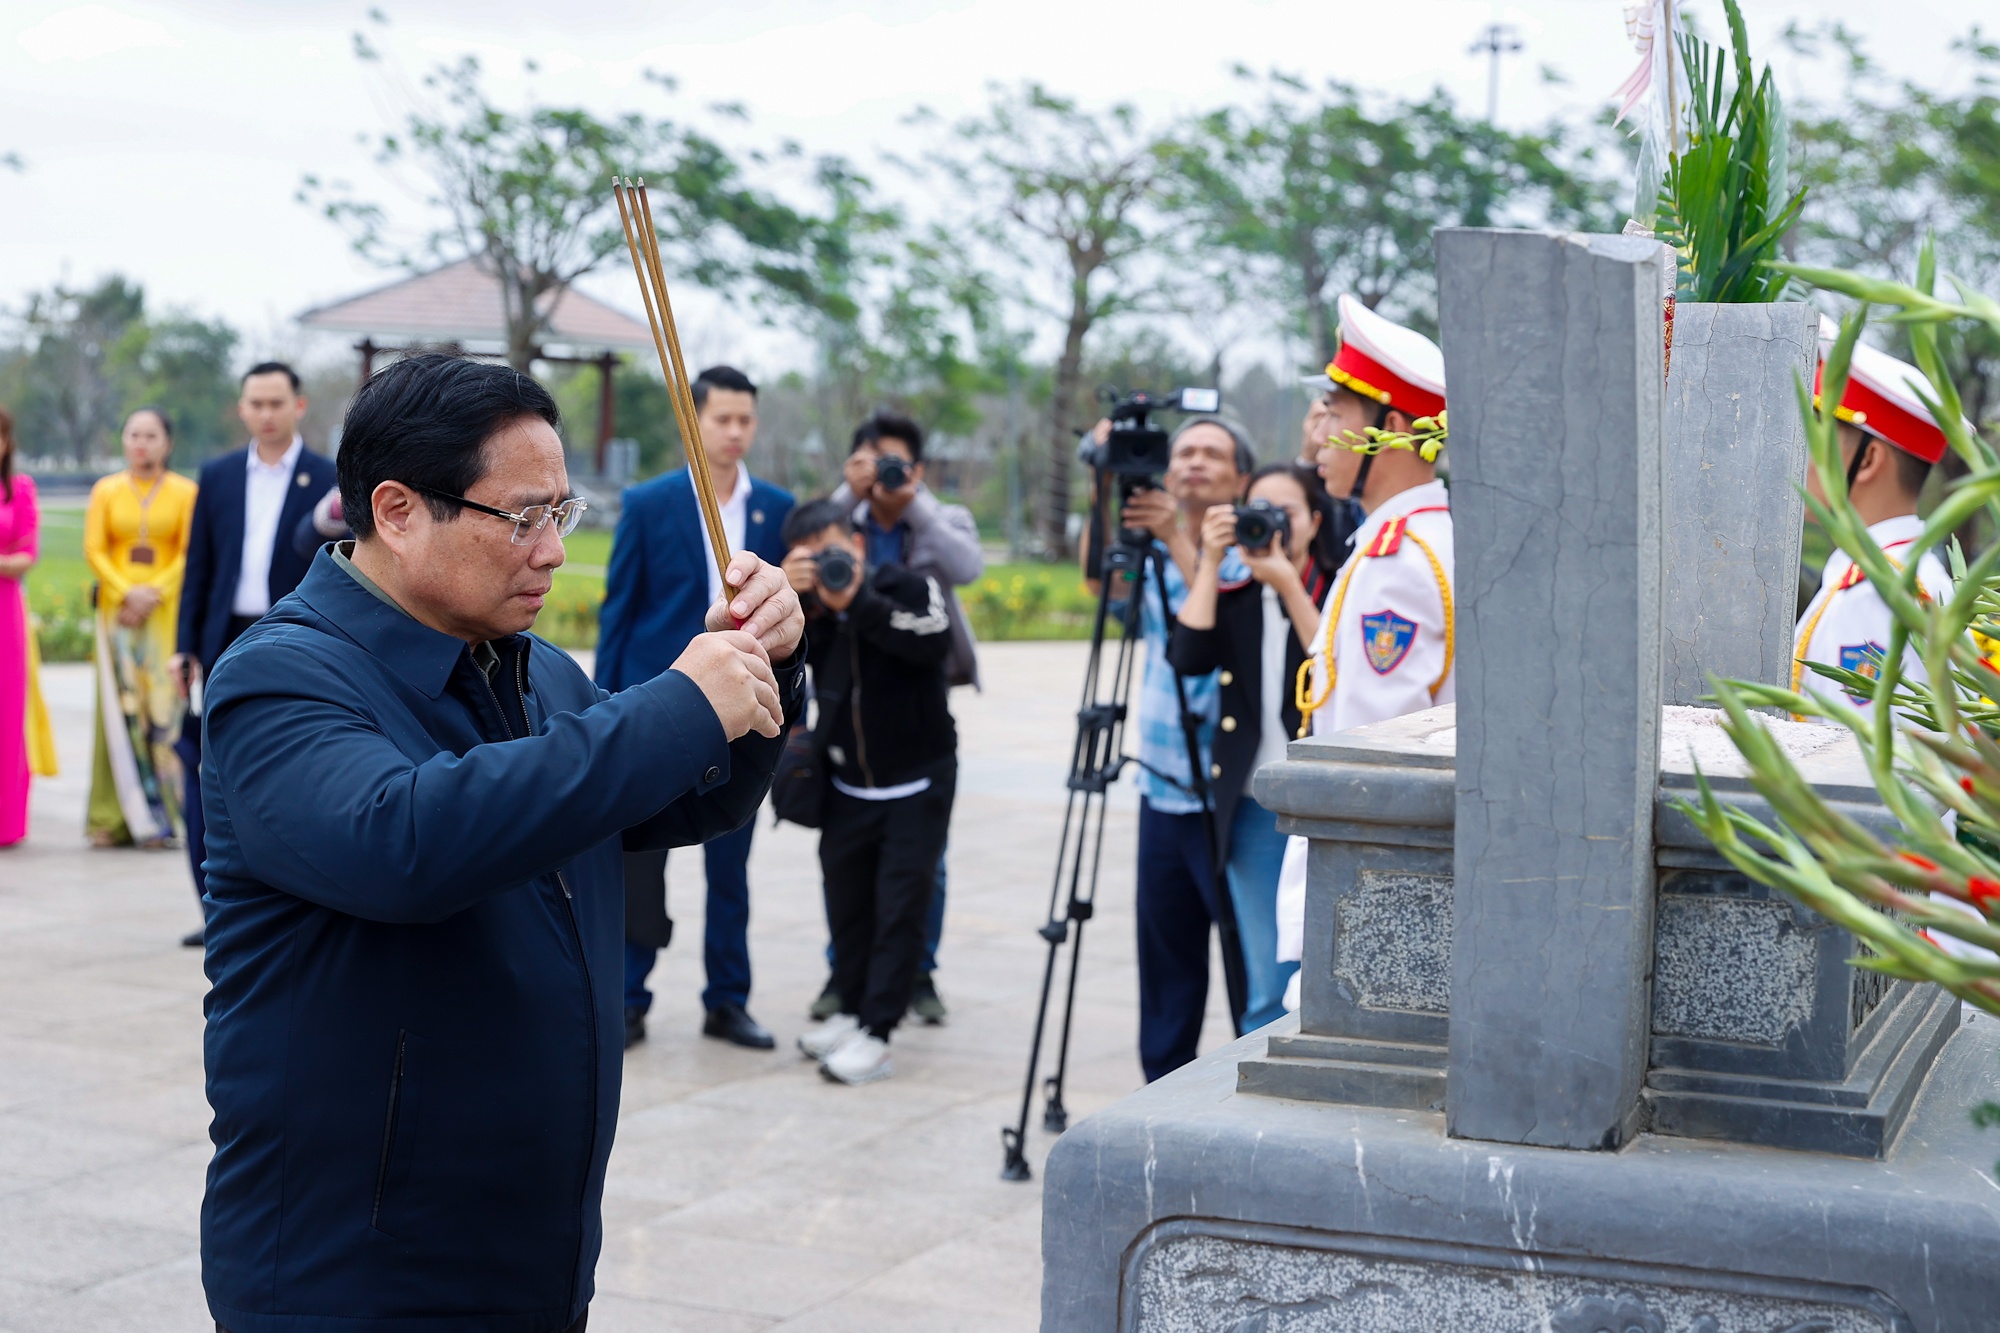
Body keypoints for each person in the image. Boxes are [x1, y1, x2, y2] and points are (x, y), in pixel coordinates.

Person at [198, 352, 804, 1333]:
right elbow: (410, 839)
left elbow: (679, 798)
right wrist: (677, 704)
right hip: (357, 1273)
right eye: (521, 517)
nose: (552, 551)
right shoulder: (279, 682)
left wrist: (764, 662)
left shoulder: (531, 672)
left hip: (530, 1258)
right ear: (396, 511)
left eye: (559, 514)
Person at [595, 365, 795, 1050]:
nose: (735, 431)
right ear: (696, 420)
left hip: (744, 702)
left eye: (746, 419)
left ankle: (727, 999)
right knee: (638, 867)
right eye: (722, 419)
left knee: (730, 865)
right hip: (657, 701)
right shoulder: (650, 502)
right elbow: (618, 611)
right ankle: (627, 997)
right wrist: (609, 705)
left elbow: (792, 615)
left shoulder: (776, 507)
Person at [1276, 295, 1453, 1002]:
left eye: (1339, 417)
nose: (1319, 438)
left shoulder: (1399, 561)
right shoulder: (1403, 542)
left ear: (1394, 428)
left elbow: (1374, 759)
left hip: (1372, 901)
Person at [1081, 412, 1255, 1081]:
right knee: (1166, 970)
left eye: (1213, 452)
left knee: (1247, 968)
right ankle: (1161, 1089)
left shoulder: (1256, 544)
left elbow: (1213, 629)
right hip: (1161, 785)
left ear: (1241, 473)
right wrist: (1104, 487)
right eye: (1183, 452)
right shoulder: (1152, 546)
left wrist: (1179, 537)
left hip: (1229, 795)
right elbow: (1103, 582)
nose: (1193, 463)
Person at [810, 410, 983, 1024]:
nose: (883, 475)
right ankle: (846, 974)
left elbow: (965, 568)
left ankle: (920, 972)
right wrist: (845, 493)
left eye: (897, 463)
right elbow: (812, 543)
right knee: (850, 866)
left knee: (922, 863)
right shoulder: (844, 521)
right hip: (852, 699)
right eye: (873, 462)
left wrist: (914, 502)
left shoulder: (938, 518)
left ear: (918, 468)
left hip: (915, 688)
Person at [785, 498, 957, 1085]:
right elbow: (773, 657)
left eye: (836, 550)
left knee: (899, 910)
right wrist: (795, 597)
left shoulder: (909, 585)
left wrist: (855, 602)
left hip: (917, 782)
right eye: (814, 560)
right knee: (849, 906)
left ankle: (879, 1034)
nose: (830, 566)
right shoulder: (809, 609)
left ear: (857, 545)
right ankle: (854, 1013)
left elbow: (934, 641)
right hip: (845, 785)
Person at [174, 362, 336, 945]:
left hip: (297, 637)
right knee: (203, 765)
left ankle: (292, 901)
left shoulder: (328, 478)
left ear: (299, 406)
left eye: (276, 402)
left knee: (290, 764)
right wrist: (184, 647)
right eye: (255, 403)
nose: (265, 413)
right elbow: (199, 567)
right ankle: (215, 905)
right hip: (222, 638)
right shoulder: (216, 476)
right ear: (241, 409)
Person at [1169, 463, 1332, 1031]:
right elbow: (1186, 657)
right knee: (1266, 980)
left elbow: (1337, 670)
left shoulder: (1339, 586)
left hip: (1324, 804)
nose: (1269, 524)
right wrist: (1211, 561)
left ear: (1314, 520)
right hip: (1253, 807)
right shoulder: (1236, 594)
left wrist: (1287, 582)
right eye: (1255, 511)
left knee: (1324, 972)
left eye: (1284, 512)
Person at [1793, 318, 1955, 712]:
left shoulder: (1877, 596)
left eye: (1815, 438)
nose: (1800, 455)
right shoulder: (1879, 578)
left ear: (1867, 460)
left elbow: (1855, 766)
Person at [84, 407, 198, 849]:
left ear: (167, 443)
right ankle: (111, 818)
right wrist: (126, 591)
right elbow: (95, 549)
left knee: (161, 711)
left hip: (163, 613)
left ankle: (163, 819)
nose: (141, 443)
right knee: (119, 710)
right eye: (134, 434)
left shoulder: (186, 492)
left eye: (151, 436)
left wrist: (154, 592)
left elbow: (190, 551)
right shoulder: (106, 490)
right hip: (117, 615)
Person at [1, 406, 53, 846]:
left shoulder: (19, 489)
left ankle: (6, 819)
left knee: (7, 712)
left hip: (5, 611)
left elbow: (25, 558)